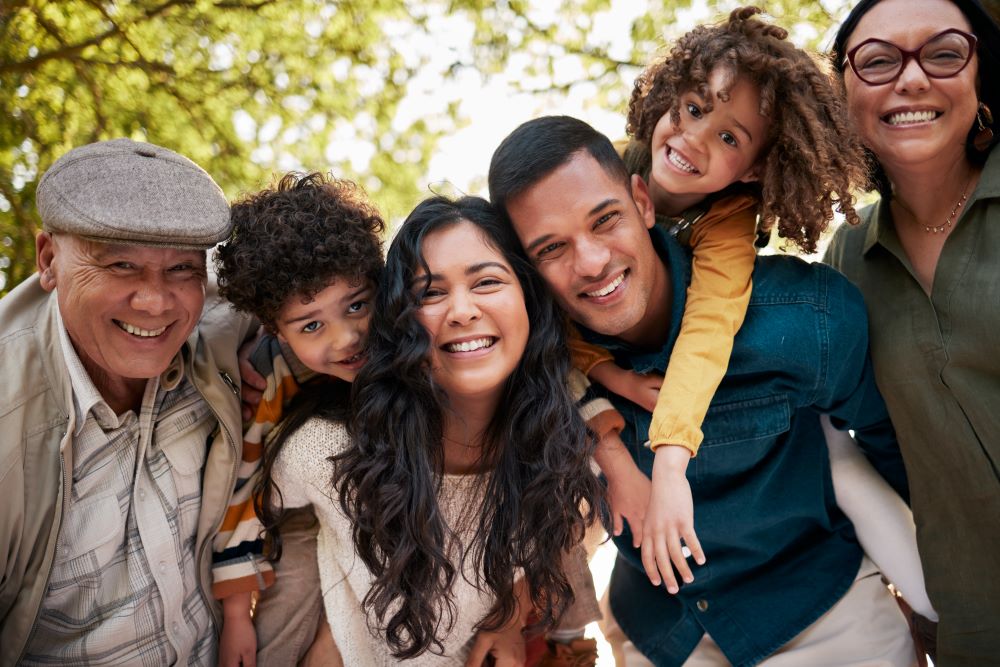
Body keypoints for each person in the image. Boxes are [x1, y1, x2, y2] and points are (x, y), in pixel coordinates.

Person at [488, 116, 916, 666]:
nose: (591, 263)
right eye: (551, 249)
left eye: (606, 219)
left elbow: (896, 451)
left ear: (642, 201)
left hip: (821, 615)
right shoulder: (530, 364)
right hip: (660, 633)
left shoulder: (807, 320)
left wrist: (935, 602)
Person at [565, 8, 929, 617]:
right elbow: (545, 315)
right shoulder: (605, 179)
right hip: (610, 440)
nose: (693, 139)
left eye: (729, 137)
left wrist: (673, 462)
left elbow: (709, 329)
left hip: (759, 436)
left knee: (846, 469)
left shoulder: (726, 223)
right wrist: (614, 376)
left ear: (756, 167)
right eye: (692, 107)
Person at [230, 195, 607, 665]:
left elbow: (559, 530)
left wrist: (510, 614)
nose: (463, 310)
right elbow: (251, 514)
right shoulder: (326, 449)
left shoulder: (566, 445)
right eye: (430, 292)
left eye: (486, 281)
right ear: (402, 315)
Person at [0, 138, 254, 666]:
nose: (155, 301)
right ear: (48, 260)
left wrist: (280, 372)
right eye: (120, 265)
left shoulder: (221, 333)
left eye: (182, 270)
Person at [827, 0, 1000, 662]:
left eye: (944, 52)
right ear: (842, 98)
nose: (912, 78)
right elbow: (874, 443)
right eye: (876, 62)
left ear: (981, 73)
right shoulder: (844, 261)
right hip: (970, 625)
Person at [211, 172, 386, 666]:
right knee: (283, 618)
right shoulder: (268, 374)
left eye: (356, 305)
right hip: (297, 515)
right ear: (277, 332)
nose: (347, 337)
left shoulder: (403, 335)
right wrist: (236, 619)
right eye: (312, 324)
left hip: (387, 504)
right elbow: (243, 489)